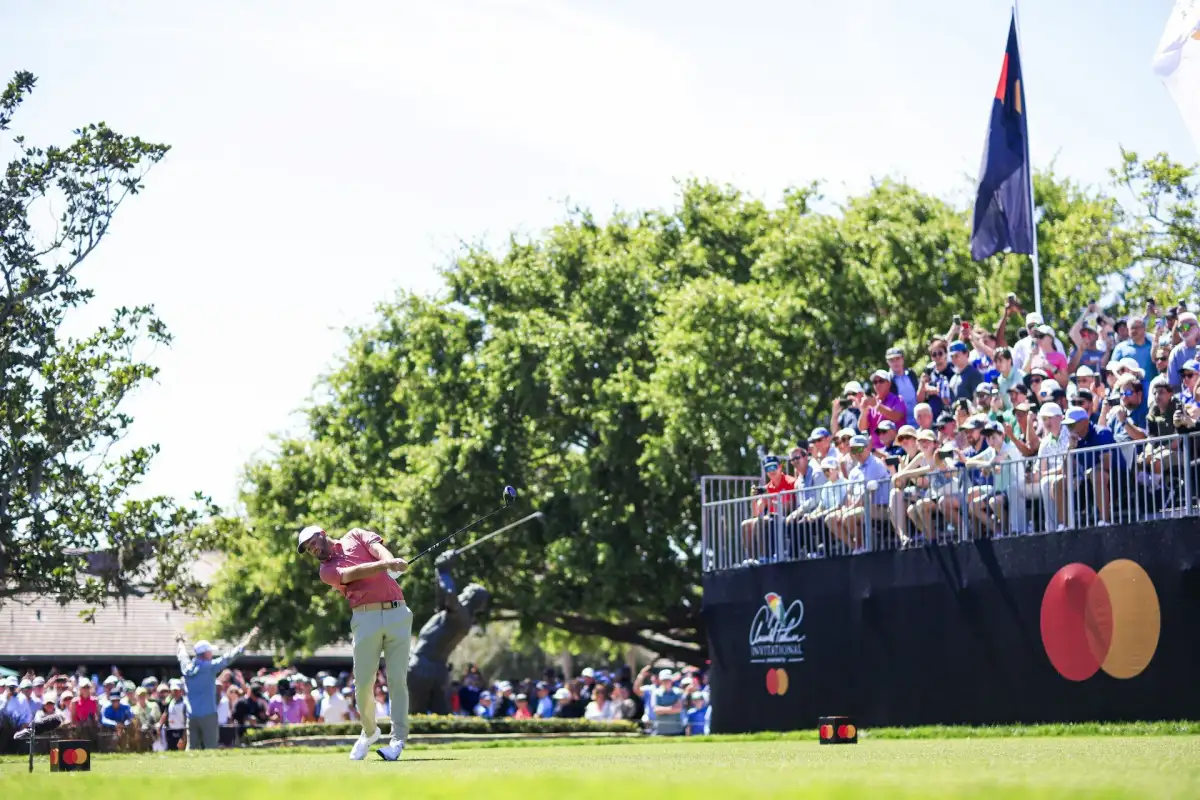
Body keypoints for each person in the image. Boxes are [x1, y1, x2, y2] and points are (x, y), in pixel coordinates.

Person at [298, 524, 413, 762]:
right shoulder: (327, 570)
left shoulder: (355, 535)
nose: (312, 549)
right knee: (362, 685)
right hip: (365, 617)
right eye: (308, 549)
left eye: (312, 543)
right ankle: (370, 732)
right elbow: (354, 573)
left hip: (398, 612)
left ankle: (398, 740)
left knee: (397, 680)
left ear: (322, 534)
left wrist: (392, 562)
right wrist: (385, 566)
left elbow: (378, 549)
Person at [175, 625, 259, 750]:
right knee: (211, 747)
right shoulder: (209, 667)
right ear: (205, 654)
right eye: (210, 651)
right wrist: (246, 642)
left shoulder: (187, 668)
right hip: (208, 714)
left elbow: (182, 655)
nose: (212, 653)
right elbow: (228, 657)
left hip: (192, 715)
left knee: (192, 748)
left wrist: (180, 642)